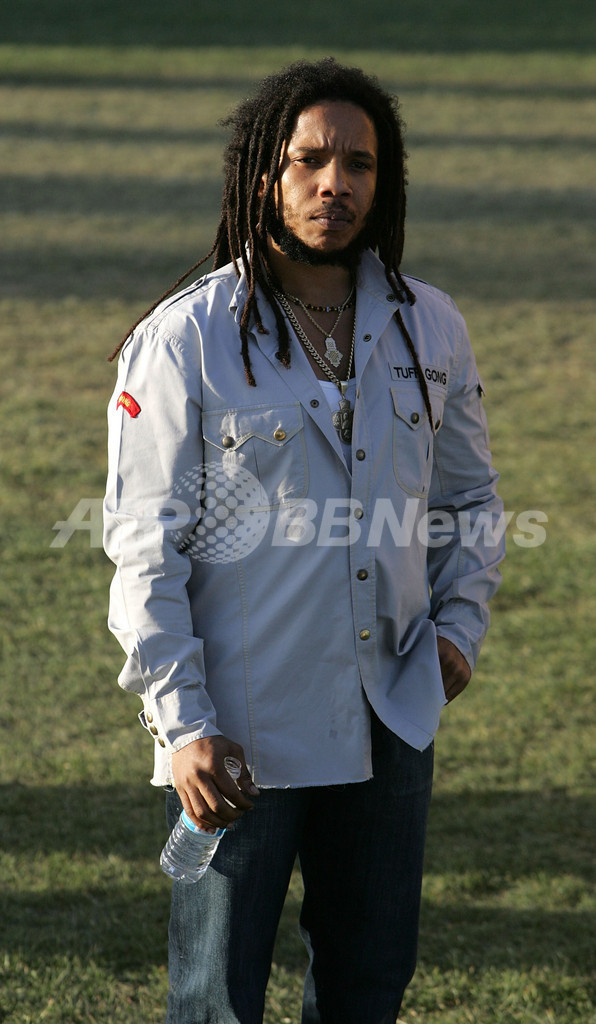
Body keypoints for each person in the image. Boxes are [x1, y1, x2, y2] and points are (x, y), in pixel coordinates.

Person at [103, 57, 504, 1024]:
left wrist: (458, 629)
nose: (336, 184)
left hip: (392, 716)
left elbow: (470, 501)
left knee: (369, 988)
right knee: (217, 1002)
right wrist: (184, 726)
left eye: (359, 164)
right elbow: (144, 548)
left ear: (384, 182)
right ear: (262, 177)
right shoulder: (185, 338)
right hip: (240, 733)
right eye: (310, 160)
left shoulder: (430, 326)